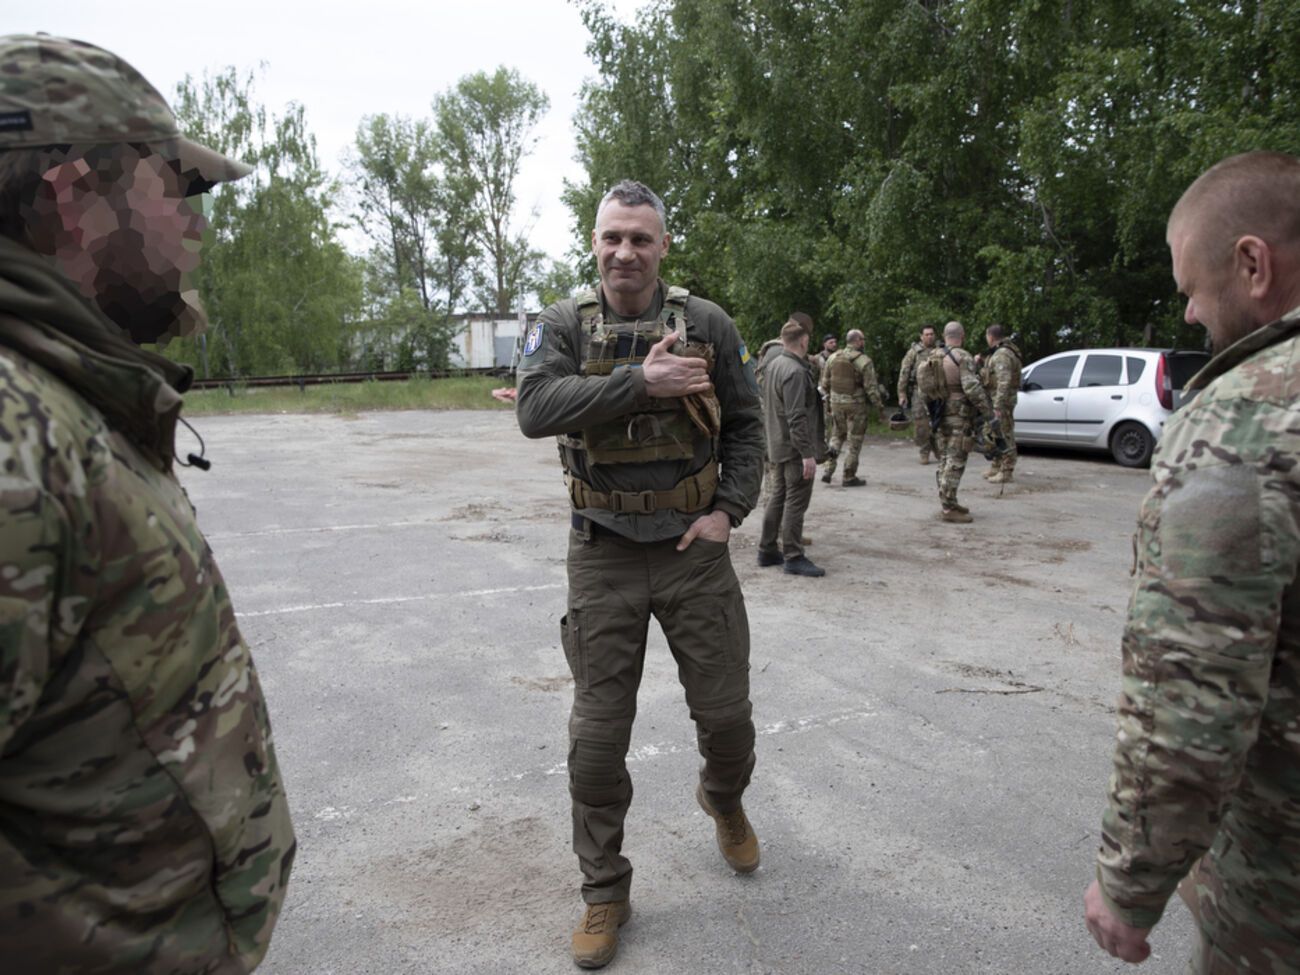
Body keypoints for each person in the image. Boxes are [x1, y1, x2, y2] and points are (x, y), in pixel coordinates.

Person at [0, 34, 295, 972]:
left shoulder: (66, 393)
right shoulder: (16, 433)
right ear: (76, 198)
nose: (195, 227)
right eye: (177, 188)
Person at [514, 179, 764, 969]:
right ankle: (604, 892)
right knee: (595, 741)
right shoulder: (560, 324)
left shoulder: (708, 323)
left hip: (693, 552)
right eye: (612, 237)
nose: (626, 252)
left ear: (662, 247)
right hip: (604, 553)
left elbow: (749, 424)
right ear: (594, 243)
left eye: (641, 239)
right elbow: (535, 408)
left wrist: (729, 509)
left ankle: (721, 798)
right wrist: (639, 383)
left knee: (727, 721)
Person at [1083, 150, 1300, 973]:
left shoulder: (1247, 416)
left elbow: (1194, 684)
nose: (1188, 316)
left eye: (1190, 290)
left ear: (1252, 263)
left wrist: (1131, 878)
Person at [758, 320, 824, 576]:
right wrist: (807, 453)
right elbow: (796, 416)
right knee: (796, 501)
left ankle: (767, 549)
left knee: (778, 497)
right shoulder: (795, 371)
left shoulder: (773, 365)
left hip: (777, 443)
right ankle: (794, 556)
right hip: (794, 447)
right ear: (804, 340)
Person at [919, 320, 991, 523]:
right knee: (956, 459)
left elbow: (923, 389)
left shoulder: (933, 356)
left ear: (943, 335)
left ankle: (948, 501)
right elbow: (971, 388)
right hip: (959, 415)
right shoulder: (962, 356)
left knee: (944, 459)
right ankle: (949, 508)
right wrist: (988, 413)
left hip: (939, 415)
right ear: (963, 336)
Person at [819, 328, 884, 486]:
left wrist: (829, 401)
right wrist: (880, 408)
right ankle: (849, 475)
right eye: (863, 339)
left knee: (836, 436)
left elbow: (824, 383)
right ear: (857, 341)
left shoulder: (833, 358)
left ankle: (828, 469)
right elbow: (871, 389)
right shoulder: (863, 361)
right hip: (855, 405)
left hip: (836, 404)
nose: (864, 342)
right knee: (854, 441)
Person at [978, 324, 1021, 484]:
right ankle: (996, 465)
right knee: (992, 433)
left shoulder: (1002, 354)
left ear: (990, 336)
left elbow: (1004, 381)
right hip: (996, 399)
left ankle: (1007, 470)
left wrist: (998, 406)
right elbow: (991, 375)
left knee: (1004, 433)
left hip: (1002, 402)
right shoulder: (998, 352)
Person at [897, 324, 937, 464]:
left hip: (938, 392)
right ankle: (924, 451)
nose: (930, 336)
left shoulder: (941, 350)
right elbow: (904, 373)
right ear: (921, 336)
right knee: (921, 424)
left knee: (940, 421)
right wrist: (902, 394)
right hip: (919, 392)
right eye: (926, 334)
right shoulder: (914, 352)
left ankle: (938, 448)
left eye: (932, 334)